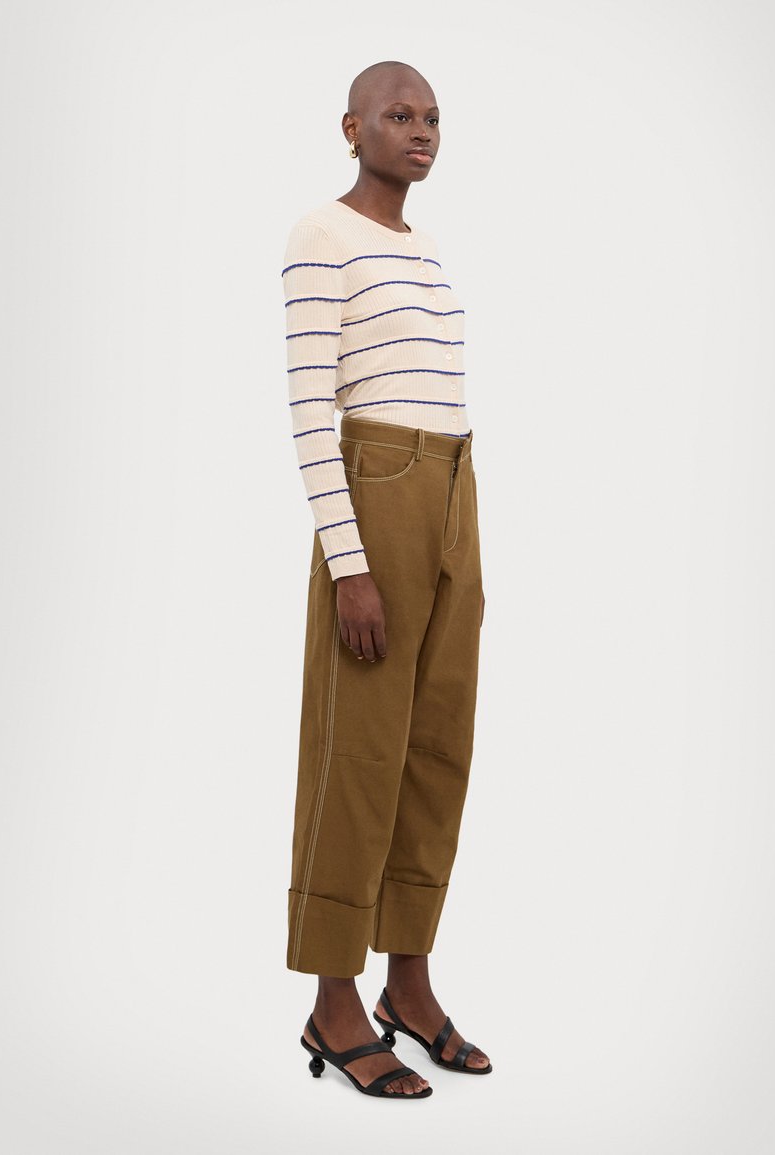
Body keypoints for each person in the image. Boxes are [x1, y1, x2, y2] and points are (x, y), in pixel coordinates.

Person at [281, 60, 491, 1099]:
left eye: (432, 118)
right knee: (358, 751)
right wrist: (350, 564)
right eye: (399, 115)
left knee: (435, 747)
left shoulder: (424, 247)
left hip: (454, 484)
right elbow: (308, 408)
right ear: (351, 127)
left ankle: (408, 984)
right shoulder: (321, 235)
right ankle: (334, 1000)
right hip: (379, 487)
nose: (421, 131)